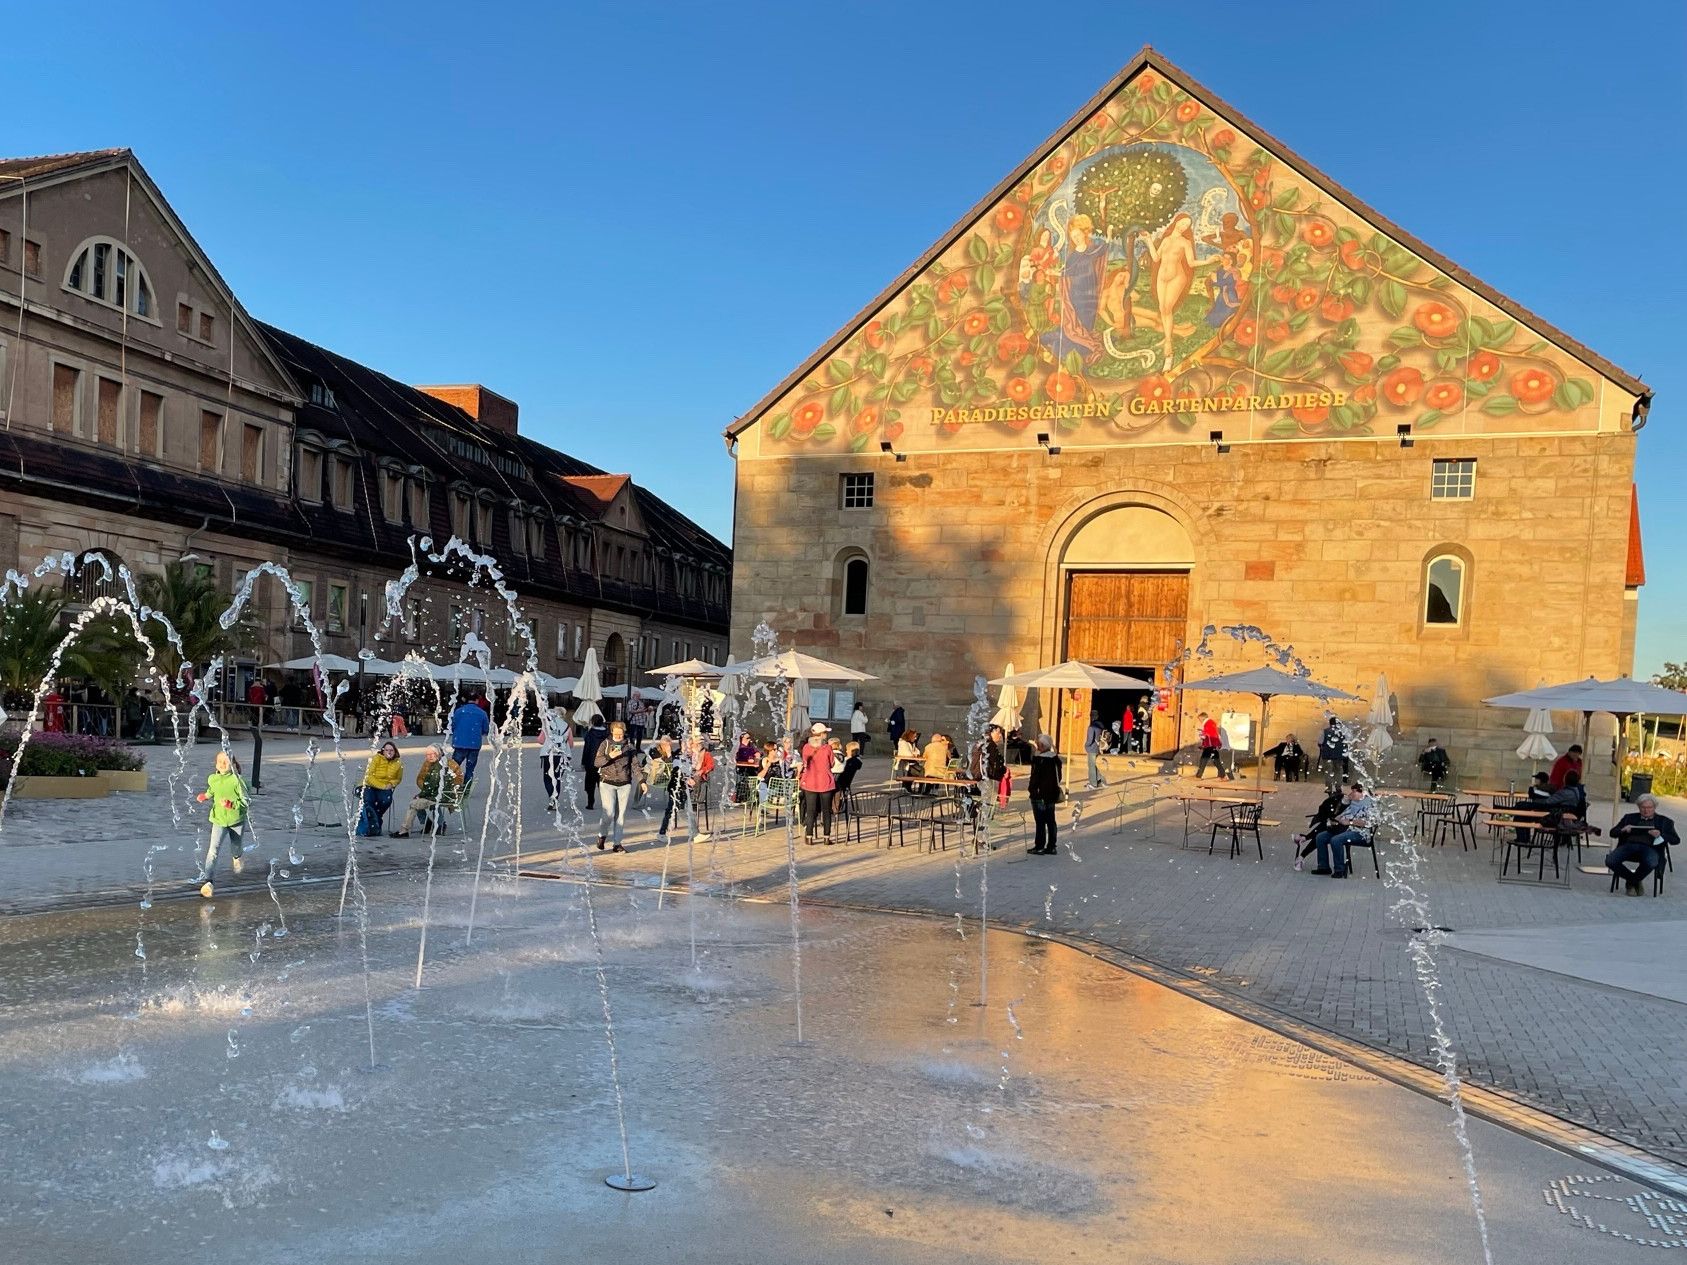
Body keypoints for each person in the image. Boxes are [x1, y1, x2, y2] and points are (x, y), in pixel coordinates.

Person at [193, 751, 249, 898]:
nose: (222, 764)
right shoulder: (213, 779)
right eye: (219, 761)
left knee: (236, 846)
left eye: (226, 761)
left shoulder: (238, 781)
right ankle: (208, 882)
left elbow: (246, 802)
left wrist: (231, 804)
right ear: (216, 764)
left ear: (233, 764)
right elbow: (212, 790)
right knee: (213, 850)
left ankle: (237, 857)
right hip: (218, 820)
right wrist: (205, 796)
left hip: (236, 820)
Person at [1606, 794, 1678, 895]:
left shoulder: (1664, 821)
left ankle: (1632, 882)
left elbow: (1676, 840)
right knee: (1610, 860)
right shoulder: (1629, 818)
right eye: (1643, 807)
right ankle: (1635, 879)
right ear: (1639, 807)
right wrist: (1622, 830)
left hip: (1651, 848)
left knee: (1651, 862)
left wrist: (1661, 835)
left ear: (1655, 807)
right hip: (1629, 846)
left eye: (1649, 807)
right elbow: (1612, 833)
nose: (1646, 810)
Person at [392, 746, 464, 837]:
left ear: (438, 754)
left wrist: (421, 795)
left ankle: (405, 830)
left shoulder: (438, 767)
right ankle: (434, 824)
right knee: (418, 801)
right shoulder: (441, 764)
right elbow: (426, 782)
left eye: (432, 754)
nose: (429, 756)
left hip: (442, 797)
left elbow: (431, 787)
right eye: (427, 755)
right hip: (445, 795)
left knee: (413, 803)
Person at [593, 720, 639, 852]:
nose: (618, 736)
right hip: (607, 782)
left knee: (620, 815)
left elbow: (635, 765)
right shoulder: (605, 743)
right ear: (612, 732)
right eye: (616, 733)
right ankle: (602, 835)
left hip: (625, 783)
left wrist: (641, 781)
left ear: (624, 732)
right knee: (609, 813)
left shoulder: (629, 746)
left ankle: (617, 843)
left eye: (621, 734)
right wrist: (609, 756)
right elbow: (596, 762)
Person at [1311, 783, 1374, 878]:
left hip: (1361, 833)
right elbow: (1340, 814)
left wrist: (1350, 822)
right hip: (1346, 829)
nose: (1351, 794)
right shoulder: (1353, 802)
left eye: (1354, 792)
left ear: (1362, 793)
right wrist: (1342, 805)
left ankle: (1339, 869)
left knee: (1336, 840)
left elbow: (1368, 823)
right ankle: (1323, 867)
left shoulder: (1369, 804)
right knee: (1321, 837)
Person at [1290, 780, 1350, 871]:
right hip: (1337, 825)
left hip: (1346, 828)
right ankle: (1303, 852)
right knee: (1322, 833)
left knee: (1323, 831)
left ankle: (1303, 843)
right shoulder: (1340, 800)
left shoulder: (1353, 803)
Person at [1026, 733, 1064, 855]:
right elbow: (1059, 777)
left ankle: (1040, 846)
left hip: (1039, 794)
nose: (1037, 746)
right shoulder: (1055, 759)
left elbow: (1034, 778)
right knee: (1051, 821)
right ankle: (1052, 846)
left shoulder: (1039, 760)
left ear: (1042, 745)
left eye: (1038, 744)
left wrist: (1032, 790)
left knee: (1040, 822)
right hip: (1052, 793)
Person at [799, 722, 837, 844]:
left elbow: (805, 761)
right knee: (826, 811)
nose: (826, 734)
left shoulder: (806, 747)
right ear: (821, 734)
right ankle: (826, 837)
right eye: (825, 732)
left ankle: (809, 836)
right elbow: (832, 763)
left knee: (811, 810)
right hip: (825, 781)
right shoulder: (827, 748)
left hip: (810, 781)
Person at [357, 740, 404, 837]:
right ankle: (373, 825)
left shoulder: (398, 763)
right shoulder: (376, 759)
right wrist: (382, 786)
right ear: (383, 751)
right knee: (368, 800)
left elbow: (398, 779)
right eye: (386, 750)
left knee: (386, 800)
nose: (389, 752)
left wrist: (391, 783)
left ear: (395, 751)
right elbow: (369, 776)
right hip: (369, 785)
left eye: (391, 750)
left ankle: (374, 820)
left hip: (385, 787)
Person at [449, 694, 491, 787]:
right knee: (470, 768)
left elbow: (453, 726)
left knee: (454, 766)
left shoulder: (459, 711)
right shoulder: (482, 713)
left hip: (460, 743)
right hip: (474, 744)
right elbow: (486, 729)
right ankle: (467, 786)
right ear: (477, 700)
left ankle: (450, 784)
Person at [539, 707, 573, 813]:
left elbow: (540, 740)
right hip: (562, 755)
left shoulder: (547, 725)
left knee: (547, 778)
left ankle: (552, 798)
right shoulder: (567, 726)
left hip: (548, 754)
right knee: (557, 778)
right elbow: (571, 744)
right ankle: (555, 798)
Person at [974, 724, 1010, 806]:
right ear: (991, 733)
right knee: (988, 802)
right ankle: (985, 814)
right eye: (998, 732)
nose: (1000, 735)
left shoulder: (984, 743)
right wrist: (1003, 770)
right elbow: (994, 763)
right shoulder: (989, 745)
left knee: (987, 800)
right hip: (988, 777)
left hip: (983, 776)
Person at [580, 714, 610, 810]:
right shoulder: (607, 733)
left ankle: (590, 802)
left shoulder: (590, 733)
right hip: (605, 762)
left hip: (591, 762)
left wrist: (584, 762)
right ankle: (607, 803)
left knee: (590, 784)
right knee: (604, 784)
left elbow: (587, 749)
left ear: (592, 722)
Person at [1317, 715, 1350, 787]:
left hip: (1327, 755)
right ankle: (1338, 787)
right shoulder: (1343, 732)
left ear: (1330, 723)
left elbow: (1320, 742)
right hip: (1339, 756)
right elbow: (1347, 742)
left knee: (1328, 772)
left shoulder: (1325, 732)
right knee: (1339, 772)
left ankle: (1329, 788)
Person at [1195, 712, 1224, 780]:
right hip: (1212, 745)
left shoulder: (1208, 724)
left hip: (1210, 745)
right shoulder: (1210, 723)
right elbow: (1212, 734)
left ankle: (1199, 776)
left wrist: (1202, 734)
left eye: (1200, 719)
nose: (1199, 720)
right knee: (1215, 761)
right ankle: (1223, 775)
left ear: (1203, 717)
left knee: (1204, 760)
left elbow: (1209, 735)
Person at [1084, 713, 1105, 789]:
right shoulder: (1100, 726)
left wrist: (1086, 746)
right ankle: (1100, 781)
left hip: (1091, 748)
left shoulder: (1091, 727)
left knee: (1091, 766)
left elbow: (1090, 740)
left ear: (1092, 717)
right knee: (1093, 765)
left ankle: (1093, 784)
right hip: (1096, 748)